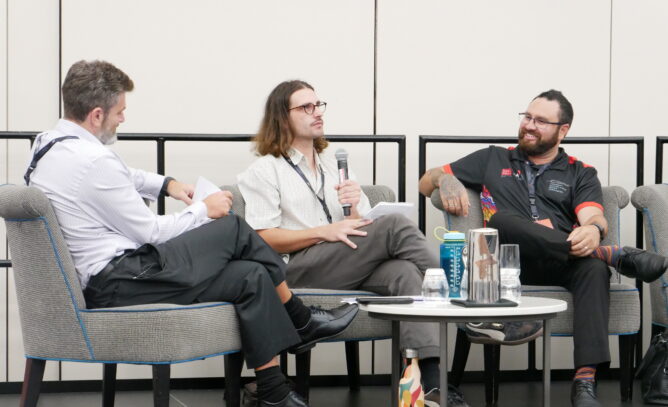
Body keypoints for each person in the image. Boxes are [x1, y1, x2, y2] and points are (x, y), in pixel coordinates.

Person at [25, 60, 359, 407]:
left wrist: (168, 185)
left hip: (113, 277)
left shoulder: (49, 144)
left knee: (251, 274)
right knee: (230, 227)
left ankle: (272, 391)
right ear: (96, 115)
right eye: (119, 112)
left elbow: (125, 174)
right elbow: (150, 232)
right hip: (122, 279)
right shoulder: (94, 162)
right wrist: (204, 209)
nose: (123, 118)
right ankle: (301, 318)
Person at [419, 89, 668, 407]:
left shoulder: (580, 171)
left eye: (540, 121)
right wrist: (444, 179)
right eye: (527, 117)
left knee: (593, 269)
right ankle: (613, 254)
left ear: (563, 130)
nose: (529, 125)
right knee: (503, 220)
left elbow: (592, 214)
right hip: (505, 263)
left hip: (560, 259)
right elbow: (424, 182)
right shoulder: (492, 158)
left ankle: (584, 383)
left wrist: (593, 230)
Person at [237, 79, 469, 407]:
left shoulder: (335, 165)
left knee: (404, 272)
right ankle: (465, 298)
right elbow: (263, 238)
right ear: (282, 117)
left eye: (319, 105)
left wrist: (356, 209)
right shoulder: (264, 171)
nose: (317, 112)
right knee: (394, 226)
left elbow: (355, 226)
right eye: (306, 107)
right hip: (296, 269)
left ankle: (431, 383)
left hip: (344, 261)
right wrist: (324, 231)